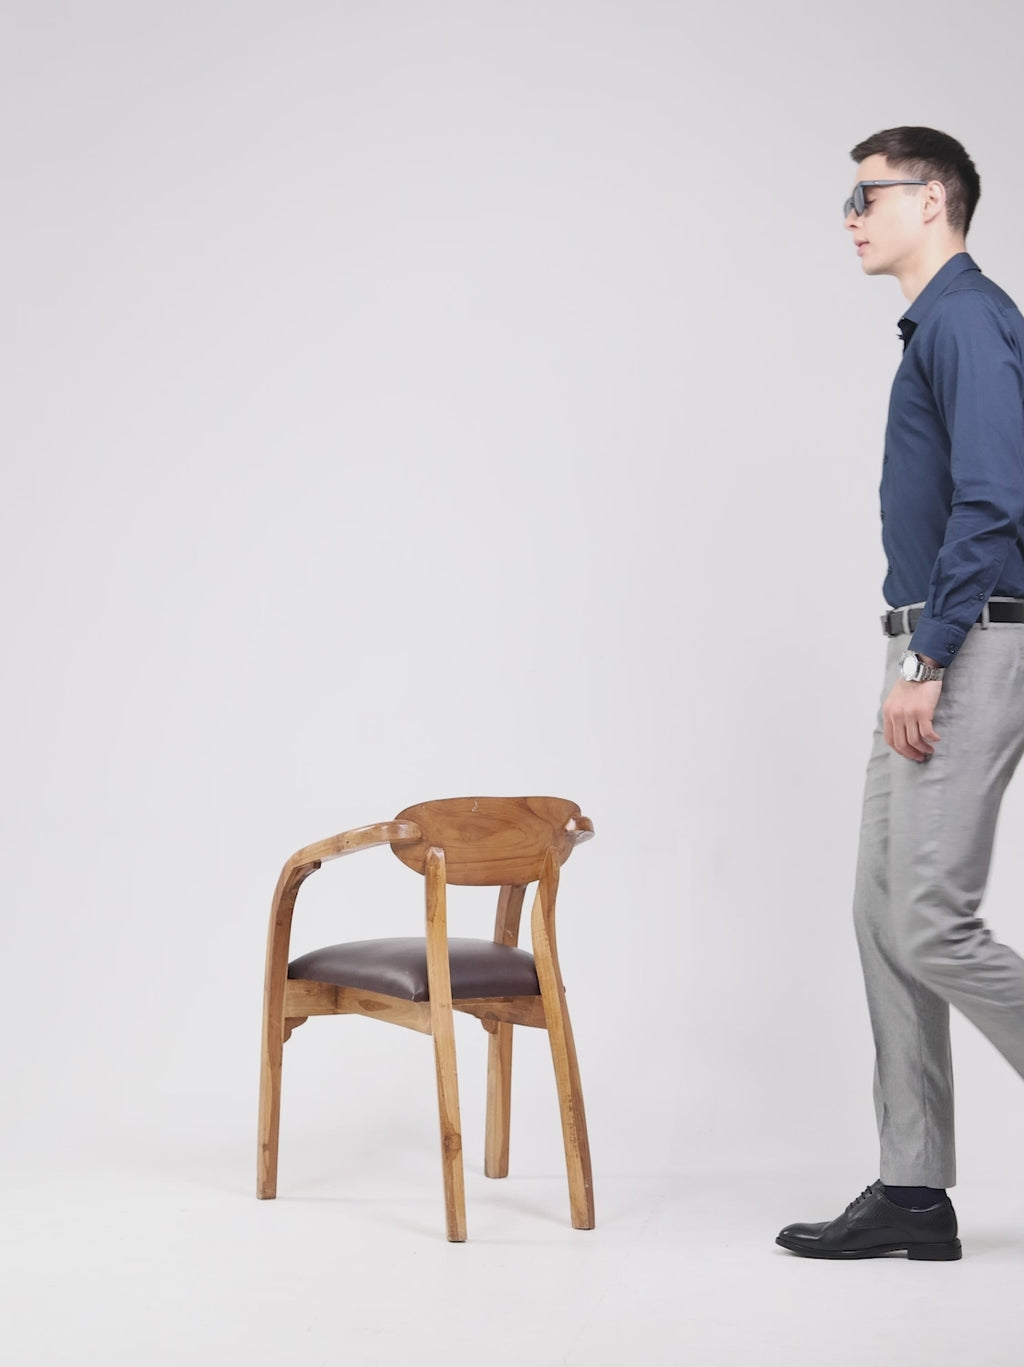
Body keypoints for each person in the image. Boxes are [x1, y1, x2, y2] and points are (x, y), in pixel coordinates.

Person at [776, 127, 1024, 1261]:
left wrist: (927, 658)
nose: (850, 216)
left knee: (930, 919)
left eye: (865, 195)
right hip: (932, 637)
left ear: (932, 200)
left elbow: (994, 497)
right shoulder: (937, 326)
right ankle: (914, 1192)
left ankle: (917, 1186)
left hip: (964, 639)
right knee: (884, 913)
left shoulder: (967, 319)